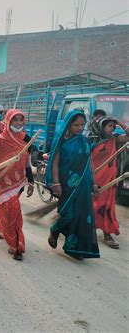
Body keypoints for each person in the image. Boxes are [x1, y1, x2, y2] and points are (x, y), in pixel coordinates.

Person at [45, 109, 100, 260]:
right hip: (66, 184)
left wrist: (95, 184)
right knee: (68, 215)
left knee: (82, 215)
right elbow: (55, 164)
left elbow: (90, 165)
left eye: (82, 124)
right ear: (69, 125)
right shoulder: (60, 141)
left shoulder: (86, 142)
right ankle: (55, 229)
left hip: (84, 184)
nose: (80, 128)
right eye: (76, 125)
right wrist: (56, 183)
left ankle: (74, 248)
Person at [0, 109, 34, 261]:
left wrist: (31, 181)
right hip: (2, 183)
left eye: (21, 120)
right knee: (13, 210)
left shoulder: (26, 138)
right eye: (15, 120)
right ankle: (16, 244)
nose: (18, 123)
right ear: (8, 121)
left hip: (19, 182)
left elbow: (27, 162)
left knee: (6, 209)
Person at [88, 116, 129, 249]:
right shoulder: (92, 141)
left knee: (107, 207)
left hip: (110, 181)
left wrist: (120, 123)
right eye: (109, 126)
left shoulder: (115, 139)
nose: (112, 129)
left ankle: (107, 234)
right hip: (94, 180)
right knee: (92, 205)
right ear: (101, 127)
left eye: (113, 126)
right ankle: (81, 227)